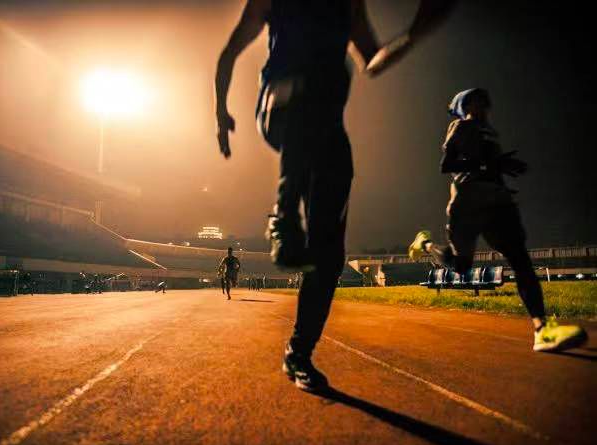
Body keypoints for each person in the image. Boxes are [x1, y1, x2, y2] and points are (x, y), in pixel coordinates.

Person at [214, 0, 453, 391]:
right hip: (280, 105)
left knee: (329, 254)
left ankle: (299, 353)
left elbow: (372, 60)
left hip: (327, 131)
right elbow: (229, 52)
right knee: (319, 81)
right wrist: (220, 113)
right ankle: (284, 217)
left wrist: (413, 35)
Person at [408, 88, 587, 352]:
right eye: (475, 102)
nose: (482, 107)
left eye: (484, 103)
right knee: (461, 265)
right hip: (468, 202)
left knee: (520, 259)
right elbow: (447, 165)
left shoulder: (489, 134)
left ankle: (542, 329)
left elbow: (488, 166)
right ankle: (424, 244)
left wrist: (500, 165)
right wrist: (489, 165)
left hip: (498, 203)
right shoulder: (461, 126)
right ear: (463, 107)